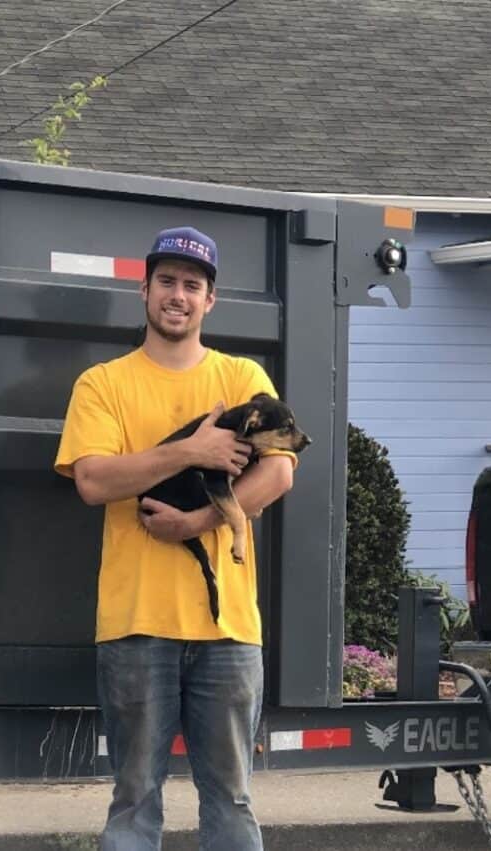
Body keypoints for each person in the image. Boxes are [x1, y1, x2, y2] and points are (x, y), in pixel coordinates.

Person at [54, 226, 297, 851]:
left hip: (229, 631)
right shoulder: (102, 384)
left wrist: (198, 523)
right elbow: (92, 479)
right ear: (145, 290)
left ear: (209, 301)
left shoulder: (243, 376)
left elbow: (279, 470)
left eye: (193, 285)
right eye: (167, 281)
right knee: (134, 799)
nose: (178, 295)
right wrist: (191, 449)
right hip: (136, 625)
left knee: (234, 799)